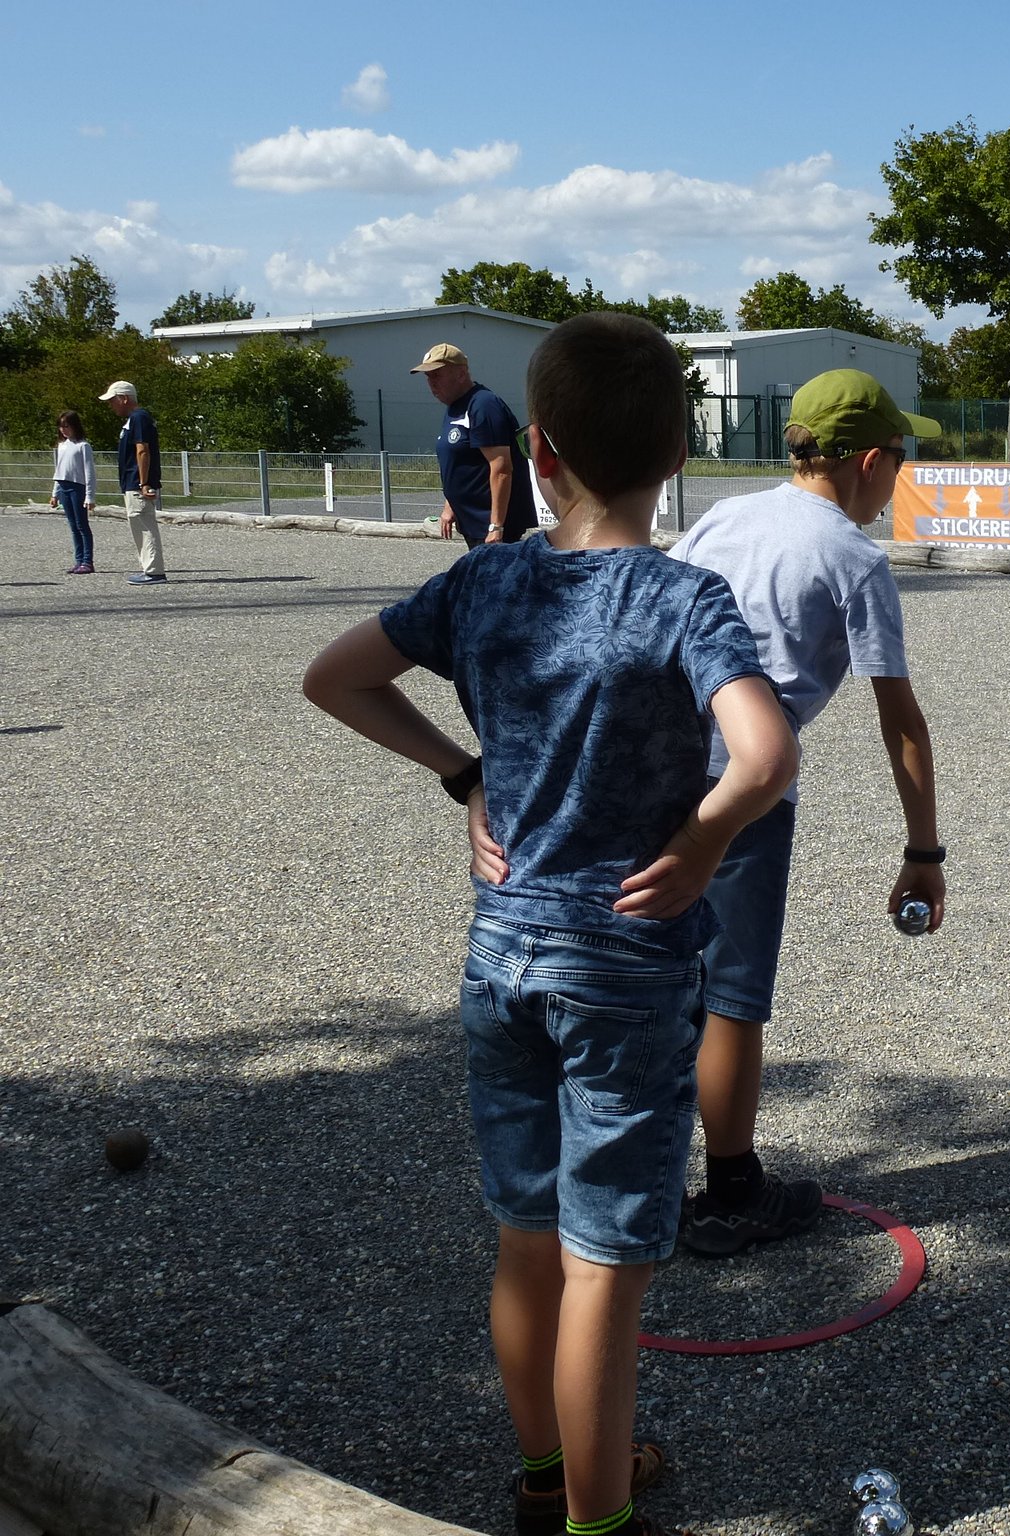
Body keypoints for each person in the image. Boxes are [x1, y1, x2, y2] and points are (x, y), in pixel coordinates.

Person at [305, 312, 798, 1536]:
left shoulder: (484, 580)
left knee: (526, 1245)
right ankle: (596, 1520)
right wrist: (701, 844)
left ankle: (541, 1481)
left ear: (538, 450)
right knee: (603, 1273)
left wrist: (463, 774)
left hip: (502, 951)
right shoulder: (681, 598)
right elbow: (765, 755)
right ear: (677, 454)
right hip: (624, 968)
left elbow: (334, 676)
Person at [667, 368, 947, 1257]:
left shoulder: (724, 517)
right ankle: (732, 1193)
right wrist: (924, 852)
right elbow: (900, 720)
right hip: (743, 785)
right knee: (731, 995)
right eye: (899, 459)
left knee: (654, 975)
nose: (898, 477)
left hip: (653, 764)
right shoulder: (854, 557)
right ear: (868, 461)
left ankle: (623, 1173)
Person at [413, 341, 539, 548]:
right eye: (428, 377)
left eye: (437, 375)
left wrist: (496, 526)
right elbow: (461, 460)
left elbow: (501, 468)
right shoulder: (456, 407)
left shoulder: (483, 405)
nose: (431, 383)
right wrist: (450, 505)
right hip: (472, 522)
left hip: (490, 524)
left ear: (461, 374)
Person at [98, 381, 167, 584]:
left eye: (113, 400)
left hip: (138, 482)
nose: (111, 405)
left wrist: (144, 483)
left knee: (144, 524)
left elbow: (142, 450)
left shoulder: (138, 417)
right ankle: (149, 568)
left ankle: (154, 571)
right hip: (133, 481)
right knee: (139, 525)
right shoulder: (134, 419)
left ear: (124, 398)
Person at [49, 410, 96, 574]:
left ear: (75, 426)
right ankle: (78, 560)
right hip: (63, 487)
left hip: (77, 487)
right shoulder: (61, 446)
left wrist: (90, 496)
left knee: (82, 525)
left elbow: (89, 472)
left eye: (66, 426)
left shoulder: (83, 446)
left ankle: (87, 561)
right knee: (73, 526)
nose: (63, 430)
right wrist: (55, 493)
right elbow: (59, 471)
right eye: (61, 426)